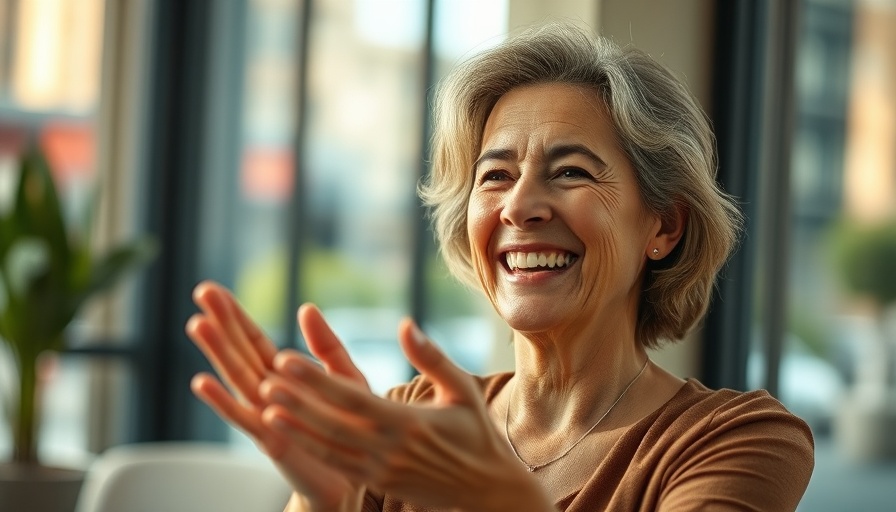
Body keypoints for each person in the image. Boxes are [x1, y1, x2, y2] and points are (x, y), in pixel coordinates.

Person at [186, 24, 814, 512]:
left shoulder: (735, 440)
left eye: (570, 171)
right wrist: (326, 502)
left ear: (664, 225)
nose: (520, 205)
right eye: (496, 176)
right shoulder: (409, 418)